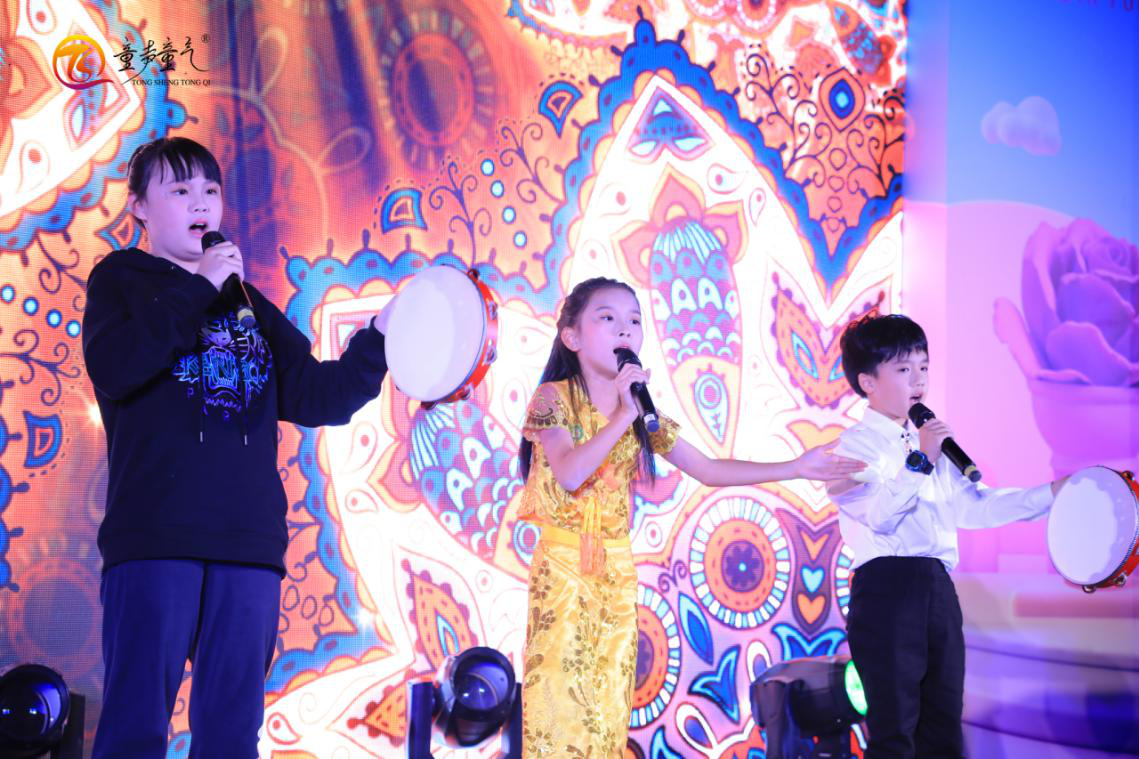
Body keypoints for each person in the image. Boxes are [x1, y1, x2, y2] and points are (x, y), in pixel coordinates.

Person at [82, 136, 392, 757]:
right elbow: (116, 368)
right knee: (135, 727)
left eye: (210, 190)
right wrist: (199, 286)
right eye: (180, 190)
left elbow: (318, 396)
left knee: (230, 733)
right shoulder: (121, 279)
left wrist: (380, 338)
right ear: (139, 206)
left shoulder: (247, 302)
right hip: (156, 535)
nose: (201, 203)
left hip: (247, 542)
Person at [516, 277, 866, 758]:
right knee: (559, 703)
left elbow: (708, 469)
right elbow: (571, 473)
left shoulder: (640, 412)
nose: (625, 330)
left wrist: (796, 466)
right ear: (572, 337)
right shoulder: (554, 398)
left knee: (606, 709)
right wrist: (624, 414)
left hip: (615, 576)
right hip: (562, 571)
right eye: (608, 318)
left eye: (634, 320)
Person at [827, 314, 1066, 759]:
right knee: (895, 734)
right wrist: (920, 460)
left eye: (924, 366)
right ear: (868, 382)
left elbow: (975, 506)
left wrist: (1051, 494)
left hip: (938, 586)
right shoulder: (853, 447)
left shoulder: (926, 443)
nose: (919, 380)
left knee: (942, 732)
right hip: (888, 589)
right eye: (903, 369)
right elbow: (880, 517)